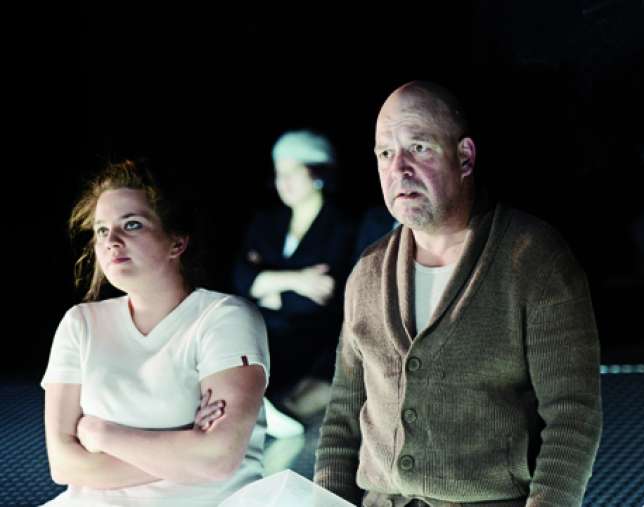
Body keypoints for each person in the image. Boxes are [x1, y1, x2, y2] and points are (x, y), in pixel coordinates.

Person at [314, 81, 602, 507]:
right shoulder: (369, 272)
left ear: (464, 156)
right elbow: (342, 419)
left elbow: (572, 417)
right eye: (385, 153)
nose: (399, 169)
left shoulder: (533, 260)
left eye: (418, 148)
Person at [42, 160, 269, 506]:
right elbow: (63, 465)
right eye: (102, 230)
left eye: (132, 224)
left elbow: (218, 459)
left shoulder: (224, 318)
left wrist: (99, 433)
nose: (111, 241)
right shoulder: (80, 324)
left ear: (176, 242)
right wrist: (185, 447)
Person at [233, 131, 357, 423]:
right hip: (256, 327)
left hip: (306, 336)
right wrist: (298, 280)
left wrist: (268, 285)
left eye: (292, 172)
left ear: (317, 173)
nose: (283, 182)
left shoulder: (342, 225)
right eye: (279, 174)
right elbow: (241, 279)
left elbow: (325, 295)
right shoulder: (267, 221)